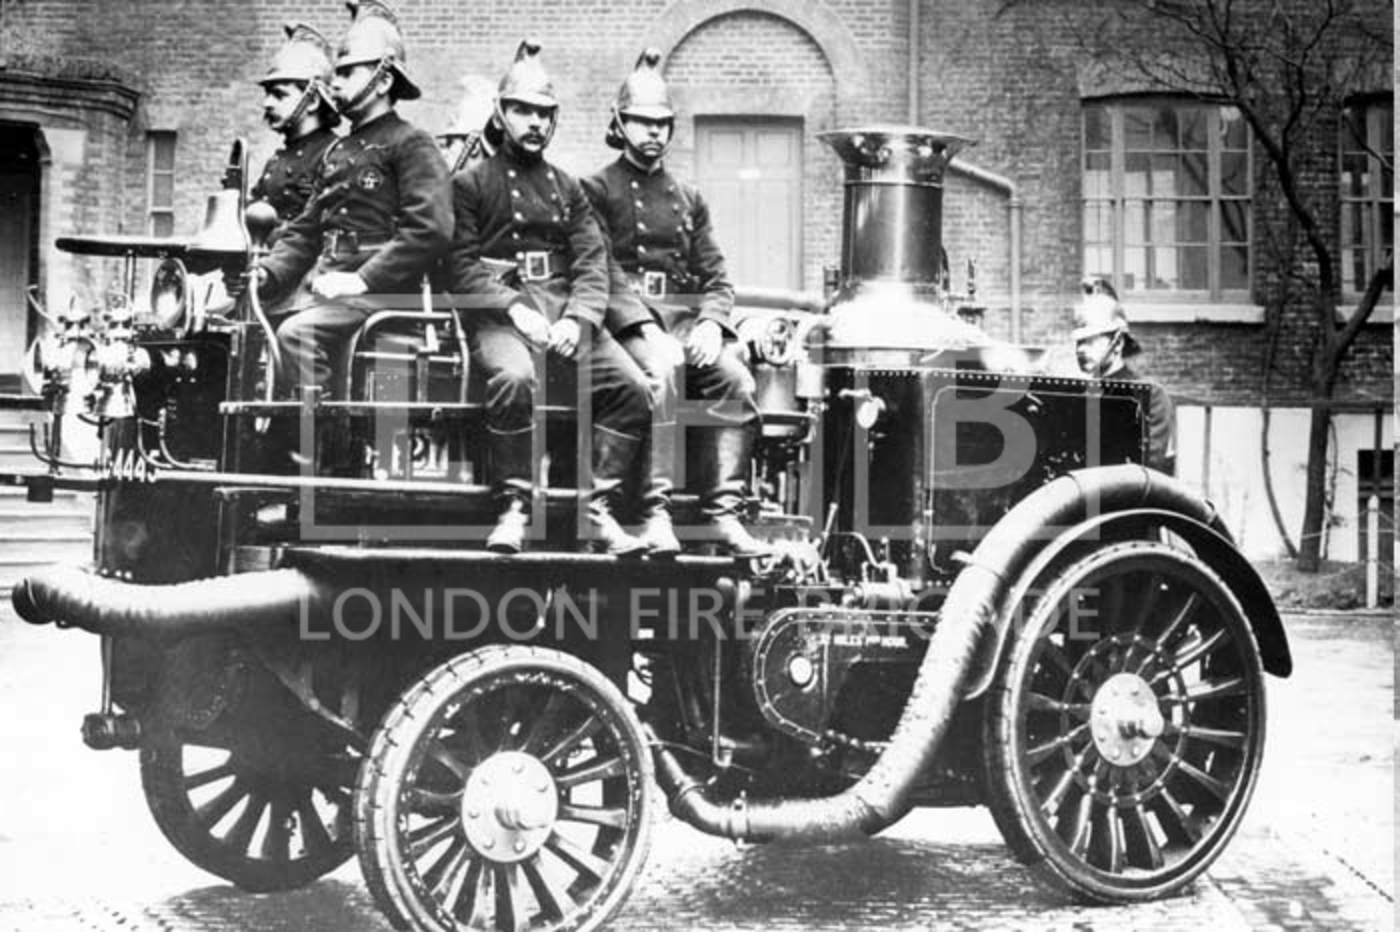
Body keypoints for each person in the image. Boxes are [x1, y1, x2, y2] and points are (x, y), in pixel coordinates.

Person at [446, 40, 652, 556]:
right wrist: (511, 306)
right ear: (501, 113)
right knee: (513, 377)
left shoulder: (568, 187)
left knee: (632, 387)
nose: (534, 122)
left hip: (564, 313)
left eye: (544, 113)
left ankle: (597, 510)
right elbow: (460, 265)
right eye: (523, 110)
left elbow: (592, 263)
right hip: (501, 315)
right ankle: (514, 505)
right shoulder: (471, 184)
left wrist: (578, 321)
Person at [582, 49, 765, 557]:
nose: (653, 133)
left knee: (736, 379)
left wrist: (710, 324)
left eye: (662, 123)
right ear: (619, 124)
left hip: (684, 322)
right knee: (661, 372)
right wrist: (642, 327)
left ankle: (723, 514)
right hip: (625, 324)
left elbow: (717, 277)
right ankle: (653, 513)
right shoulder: (596, 189)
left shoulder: (689, 197)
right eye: (642, 122)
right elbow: (600, 269)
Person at [255, 0, 450, 400]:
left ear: (381, 81)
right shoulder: (338, 151)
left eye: (346, 73)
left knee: (296, 334)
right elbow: (306, 229)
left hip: (386, 293)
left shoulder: (411, 144)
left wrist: (362, 278)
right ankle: (292, 449)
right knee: (259, 333)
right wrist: (268, 272)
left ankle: (329, 452)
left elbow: (430, 229)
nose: (335, 82)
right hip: (331, 289)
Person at [251, 22, 340, 250]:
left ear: (312, 101)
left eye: (279, 95)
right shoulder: (278, 159)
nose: (267, 103)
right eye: (267, 94)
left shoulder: (334, 156)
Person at [1072, 290, 1177, 474]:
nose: (1081, 349)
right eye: (1079, 342)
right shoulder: (1077, 395)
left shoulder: (1149, 396)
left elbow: (1148, 466)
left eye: (1090, 341)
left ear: (1118, 343)